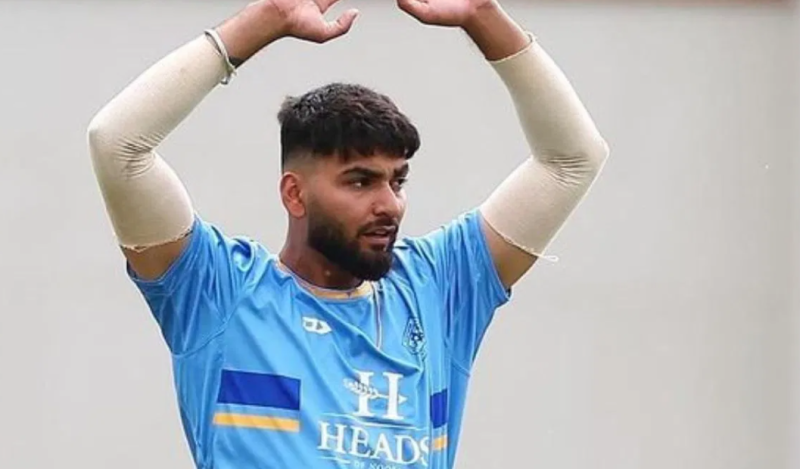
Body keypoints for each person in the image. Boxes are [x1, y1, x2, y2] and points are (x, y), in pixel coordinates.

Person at [87, 0, 609, 467]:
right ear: (294, 194)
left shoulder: (438, 288)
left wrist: (482, 15)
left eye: (397, 181)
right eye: (360, 181)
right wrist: (267, 17)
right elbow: (117, 145)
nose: (389, 204)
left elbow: (572, 160)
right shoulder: (219, 291)